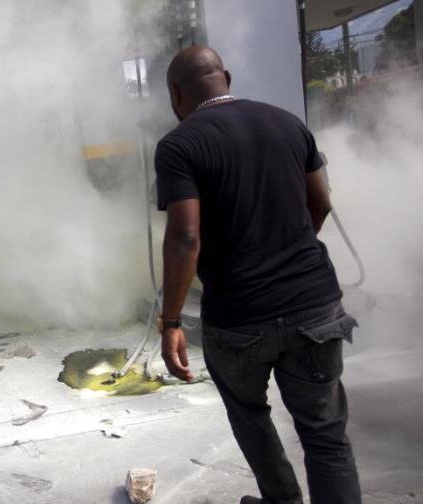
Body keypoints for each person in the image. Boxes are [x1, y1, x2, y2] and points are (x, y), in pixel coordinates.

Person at [154, 46, 361, 504]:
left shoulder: (179, 145)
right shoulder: (289, 123)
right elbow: (321, 203)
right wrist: (288, 247)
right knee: (325, 434)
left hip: (239, 317)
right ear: (225, 77)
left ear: (175, 93)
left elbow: (186, 238)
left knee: (250, 415)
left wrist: (170, 323)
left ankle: (281, 500)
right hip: (315, 306)